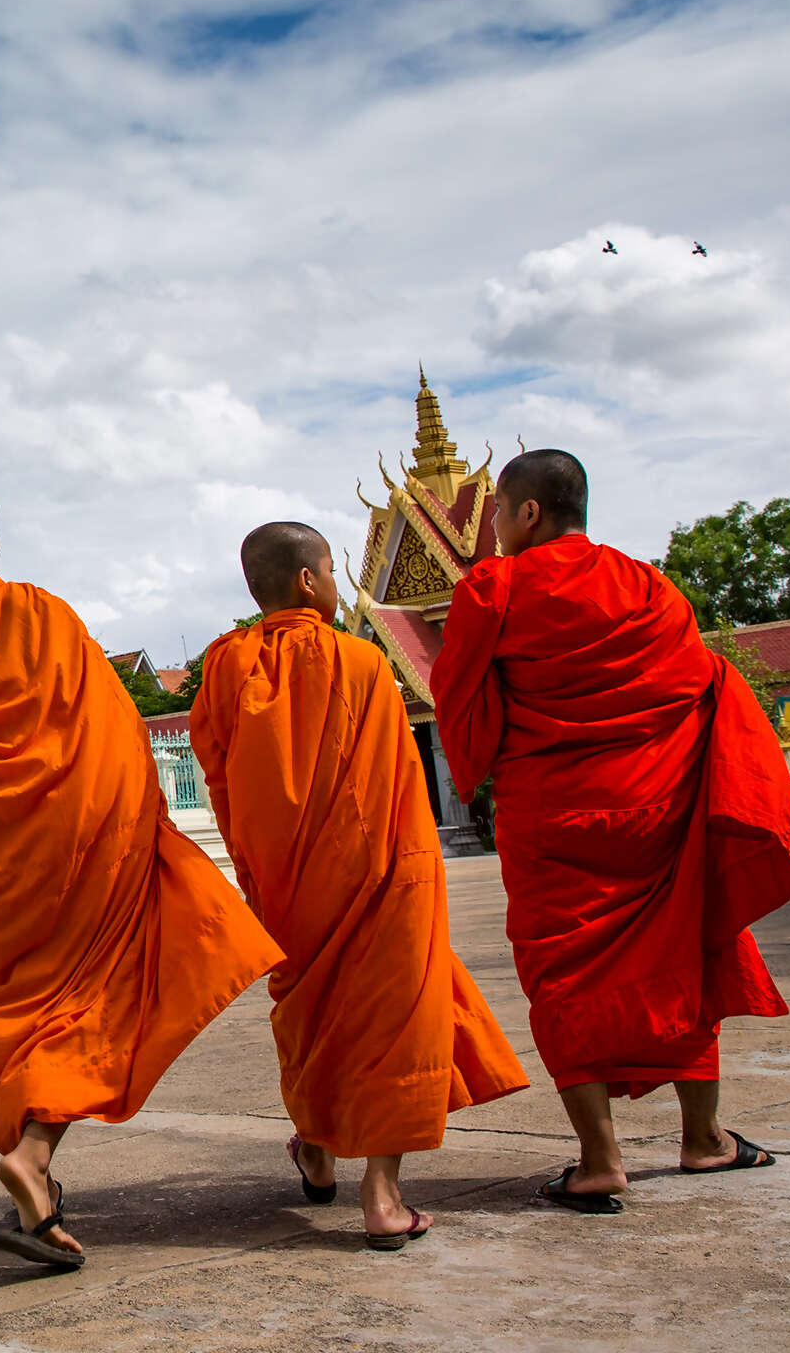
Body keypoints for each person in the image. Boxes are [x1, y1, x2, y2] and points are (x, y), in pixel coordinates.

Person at [0, 486, 279, 1270]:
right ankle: (35, 1157)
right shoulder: (51, 614)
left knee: (5, 1008)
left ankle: (33, 1160)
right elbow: (117, 724)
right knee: (97, 991)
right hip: (85, 843)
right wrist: (140, 826)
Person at [430, 450, 790, 1213]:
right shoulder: (649, 587)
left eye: (498, 511)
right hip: (656, 809)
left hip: (552, 819)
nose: (494, 529)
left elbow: (461, 703)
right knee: (687, 949)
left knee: (563, 975)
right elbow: (700, 684)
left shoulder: (493, 589)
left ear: (528, 513)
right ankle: (704, 1140)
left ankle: (599, 1161)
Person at [191, 521, 528, 1250]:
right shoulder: (363, 664)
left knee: (313, 1023)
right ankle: (382, 1196)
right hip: (380, 875)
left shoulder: (224, 667)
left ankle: (314, 1146)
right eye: (335, 573)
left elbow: (219, 779)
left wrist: (255, 863)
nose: (341, 587)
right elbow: (398, 788)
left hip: (284, 883)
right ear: (310, 582)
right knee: (390, 1023)